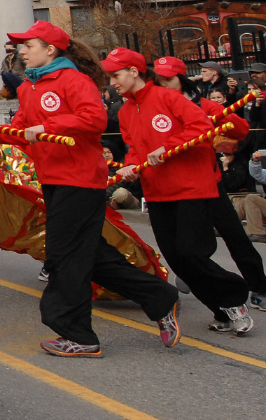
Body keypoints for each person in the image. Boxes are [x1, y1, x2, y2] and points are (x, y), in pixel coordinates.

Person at [0, 23, 181, 358]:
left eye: (28, 45)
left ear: (50, 49)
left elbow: (94, 120)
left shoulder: (73, 81)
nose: (21, 51)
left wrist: (49, 126)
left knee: (63, 256)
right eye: (21, 46)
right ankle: (159, 296)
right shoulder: (29, 88)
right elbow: (20, 132)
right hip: (52, 179)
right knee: (92, 255)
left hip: (80, 180)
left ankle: (77, 333)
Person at [107, 48, 254, 337]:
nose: (112, 82)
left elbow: (201, 128)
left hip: (191, 188)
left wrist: (169, 146)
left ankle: (235, 298)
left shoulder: (169, 97)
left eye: (116, 75)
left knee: (190, 253)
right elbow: (134, 148)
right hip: (157, 192)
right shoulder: (125, 111)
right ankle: (222, 310)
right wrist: (131, 166)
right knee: (176, 259)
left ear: (134, 72)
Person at [151, 55, 266, 312]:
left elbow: (240, 131)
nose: (163, 85)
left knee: (234, 234)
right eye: (159, 80)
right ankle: (195, 274)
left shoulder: (205, 106)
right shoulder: (154, 109)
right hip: (173, 184)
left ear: (181, 79)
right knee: (185, 241)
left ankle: (259, 288)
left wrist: (216, 121)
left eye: (168, 79)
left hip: (208, 181)